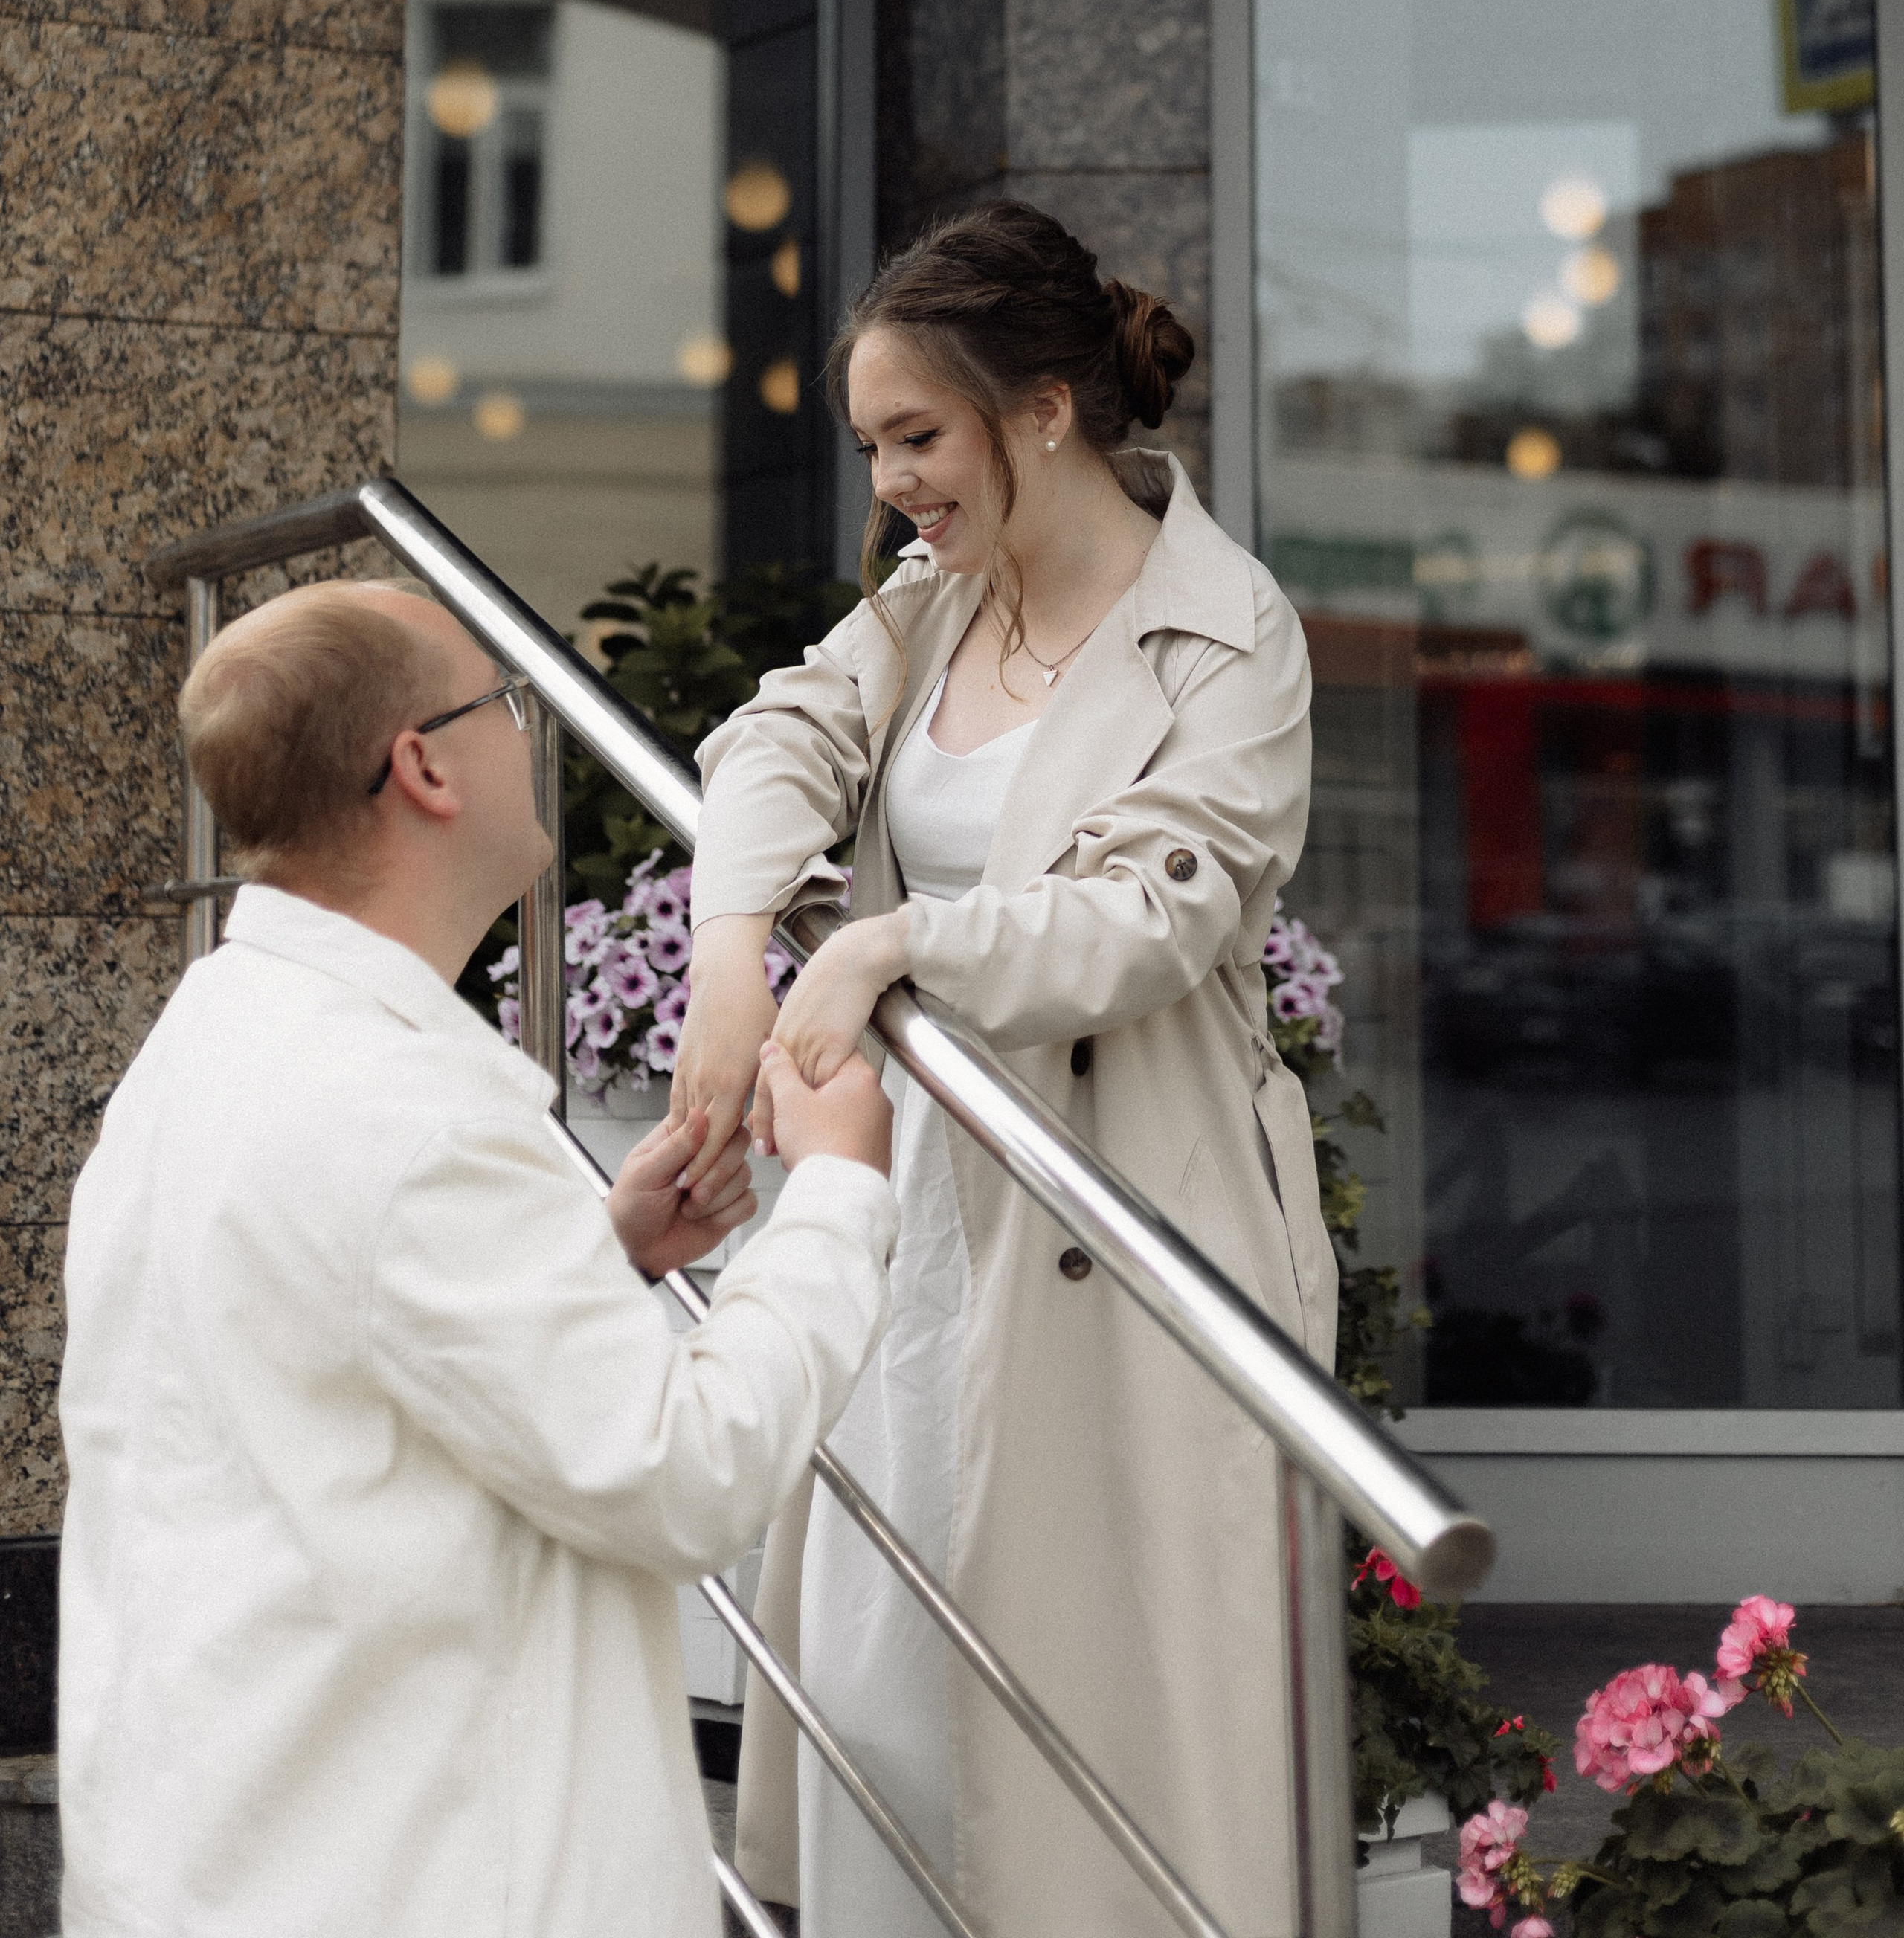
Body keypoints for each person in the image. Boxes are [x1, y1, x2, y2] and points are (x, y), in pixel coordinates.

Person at [674, 200, 1337, 1938]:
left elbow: (1146, 919)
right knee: (896, 1691)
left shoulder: (1227, 632)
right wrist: (729, 952)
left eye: (916, 437)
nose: (891, 482)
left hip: (1121, 1220)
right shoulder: (926, 601)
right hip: (923, 1206)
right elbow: (778, 732)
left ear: (1042, 406)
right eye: (875, 446)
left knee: (1099, 1726)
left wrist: (894, 945)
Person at [59, 579, 897, 1938]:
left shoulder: (215, 1036)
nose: (532, 732)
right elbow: (685, 1472)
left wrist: (595, 1259)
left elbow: (338, 1355)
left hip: (238, 1852)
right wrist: (843, 1193)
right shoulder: (407, 1115)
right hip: (404, 1874)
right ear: (425, 766)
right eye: (507, 702)